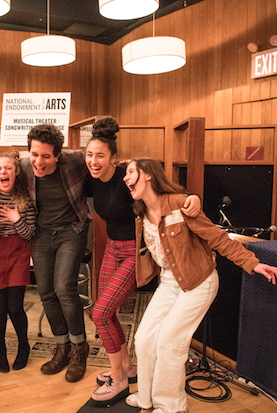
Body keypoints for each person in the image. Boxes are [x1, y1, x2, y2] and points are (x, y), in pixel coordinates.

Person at [122, 158, 277, 413]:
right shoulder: (140, 214)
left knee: (169, 342)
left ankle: (171, 407)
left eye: (131, 172)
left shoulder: (178, 203)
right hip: (168, 282)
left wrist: (251, 263)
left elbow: (216, 237)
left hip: (199, 282)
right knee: (144, 339)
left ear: (148, 175)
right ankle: (147, 398)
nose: (126, 177)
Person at [85, 117, 201, 406]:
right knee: (105, 311)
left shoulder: (128, 177)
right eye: (89, 155)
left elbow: (164, 191)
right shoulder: (91, 177)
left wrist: (192, 197)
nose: (94, 161)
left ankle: (119, 380)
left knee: (100, 313)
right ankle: (125, 367)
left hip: (135, 252)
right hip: (112, 248)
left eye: (100, 155)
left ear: (115, 158)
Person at [21, 123, 92, 383]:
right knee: (46, 292)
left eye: (46, 156)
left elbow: (106, 160)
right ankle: (62, 346)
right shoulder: (23, 167)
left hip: (71, 230)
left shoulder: (75, 161)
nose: (39, 162)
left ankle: (79, 348)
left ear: (58, 155)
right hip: (41, 233)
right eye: (34, 154)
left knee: (64, 288)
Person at [0, 152, 37, 373]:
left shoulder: (27, 199)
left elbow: (29, 234)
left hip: (18, 253)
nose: (3, 172)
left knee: (15, 308)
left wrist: (17, 219)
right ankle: (0, 349)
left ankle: (23, 347)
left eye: (7, 168)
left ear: (16, 171)